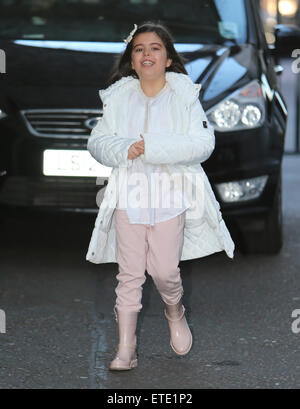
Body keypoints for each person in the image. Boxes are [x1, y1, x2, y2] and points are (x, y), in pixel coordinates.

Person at [86, 21, 235, 371]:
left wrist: (152, 147)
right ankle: (126, 348)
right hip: (129, 197)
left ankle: (175, 309)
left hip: (170, 198)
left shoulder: (183, 97)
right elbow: (97, 141)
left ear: (168, 58)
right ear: (132, 60)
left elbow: (202, 143)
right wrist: (125, 148)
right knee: (130, 274)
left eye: (154, 47)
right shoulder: (120, 97)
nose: (146, 53)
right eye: (138, 49)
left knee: (166, 271)